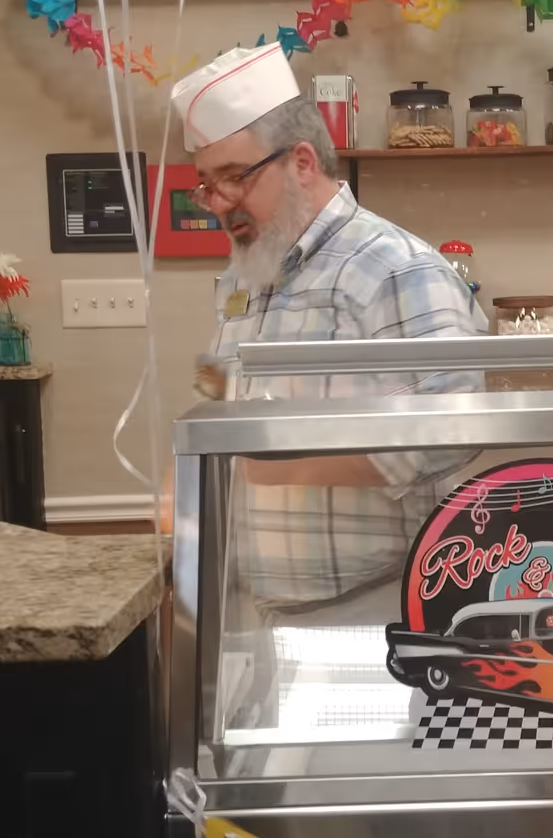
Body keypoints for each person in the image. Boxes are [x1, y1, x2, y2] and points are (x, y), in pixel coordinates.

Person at [169, 43, 487, 612]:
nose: (218, 203)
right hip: (248, 606)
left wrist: (271, 467)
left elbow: (452, 429)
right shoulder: (242, 276)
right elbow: (214, 392)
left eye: (234, 178)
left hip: (366, 607)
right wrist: (193, 476)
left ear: (302, 163)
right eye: (207, 185)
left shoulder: (393, 266)